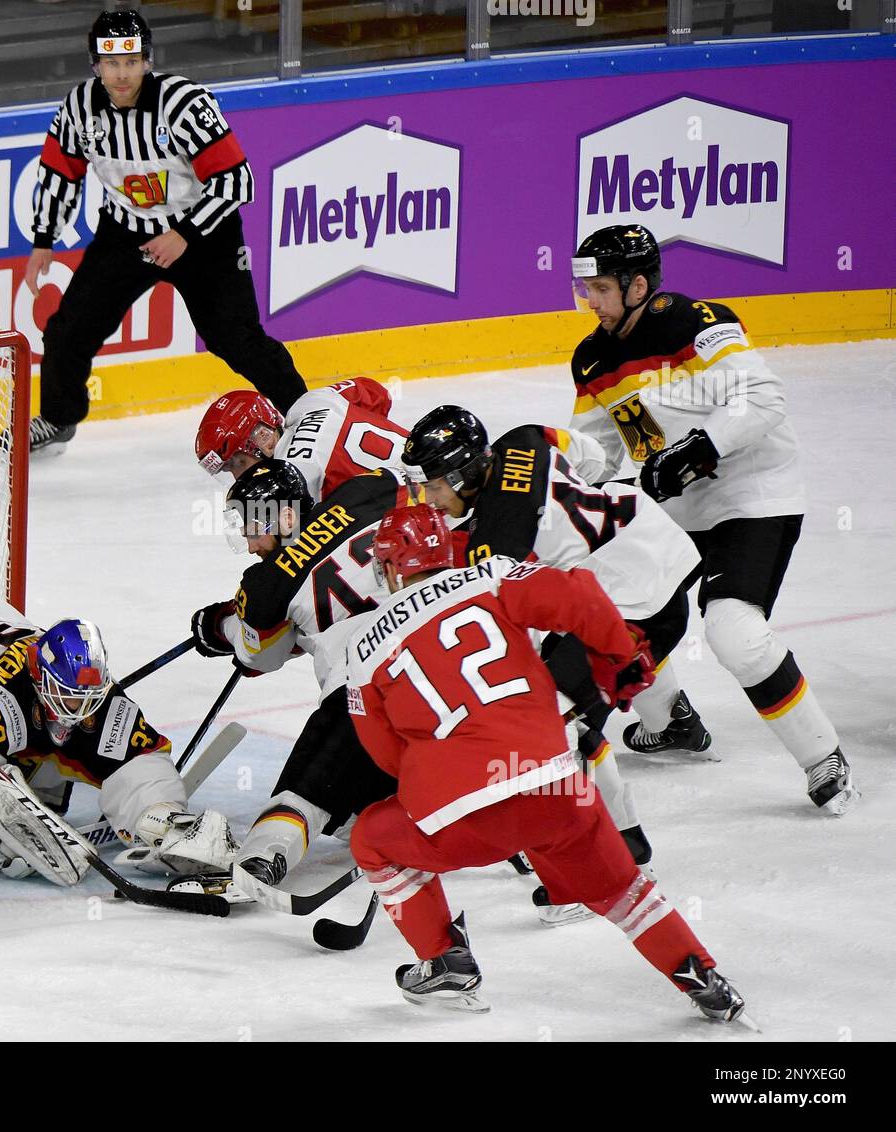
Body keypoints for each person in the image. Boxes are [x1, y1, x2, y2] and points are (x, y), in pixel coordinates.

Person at [345, 505, 748, 1024]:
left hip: (458, 816)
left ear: (395, 567)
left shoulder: (363, 649)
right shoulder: (490, 576)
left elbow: (387, 756)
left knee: (372, 840)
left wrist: (442, 781)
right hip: (554, 788)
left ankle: (442, 960)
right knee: (623, 891)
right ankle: (698, 973)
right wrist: (620, 653)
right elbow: (578, 594)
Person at [569, 224, 856, 814]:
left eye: (599, 288)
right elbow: (597, 448)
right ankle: (670, 720)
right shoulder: (593, 357)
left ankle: (823, 758)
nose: (589, 302)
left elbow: (762, 400)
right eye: (584, 290)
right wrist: (551, 479)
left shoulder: (696, 323)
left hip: (753, 493)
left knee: (734, 632)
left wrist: (699, 448)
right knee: (613, 603)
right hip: (677, 504)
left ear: (638, 284)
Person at [402, 404, 702, 920]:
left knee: (555, 727)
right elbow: (591, 460)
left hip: (630, 603)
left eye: (432, 485)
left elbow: (503, 623)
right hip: (652, 547)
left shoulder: (496, 539)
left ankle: (610, 868)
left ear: (461, 473)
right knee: (566, 718)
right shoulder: (522, 437)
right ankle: (625, 844)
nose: (427, 497)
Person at [25, 9, 306, 454]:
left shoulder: (183, 103)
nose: (121, 74)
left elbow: (238, 180)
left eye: (131, 62)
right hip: (126, 234)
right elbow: (60, 170)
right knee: (68, 329)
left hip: (204, 237)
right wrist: (44, 238)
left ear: (147, 61)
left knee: (235, 338)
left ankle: (305, 415)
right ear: (96, 65)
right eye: (111, 63)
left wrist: (185, 234)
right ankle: (59, 418)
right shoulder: (79, 107)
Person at [0, 590, 237, 882]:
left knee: (84, 753)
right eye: (70, 695)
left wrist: (157, 812)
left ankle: (170, 824)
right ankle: (3, 813)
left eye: (88, 696)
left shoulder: (92, 692)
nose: (79, 707)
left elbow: (137, 754)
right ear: (40, 677)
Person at [189, 459, 419, 893]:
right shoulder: (368, 490)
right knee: (373, 800)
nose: (251, 543)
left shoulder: (264, 586)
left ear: (285, 516)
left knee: (308, 788)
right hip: (436, 667)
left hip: (360, 684)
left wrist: (222, 625)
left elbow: (260, 658)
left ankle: (260, 859)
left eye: (253, 527)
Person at [194, 377, 408, 500]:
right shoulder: (312, 401)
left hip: (416, 514)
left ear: (263, 438)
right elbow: (376, 393)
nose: (237, 477)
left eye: (237, 463)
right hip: (429, 459)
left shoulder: (290, 484)